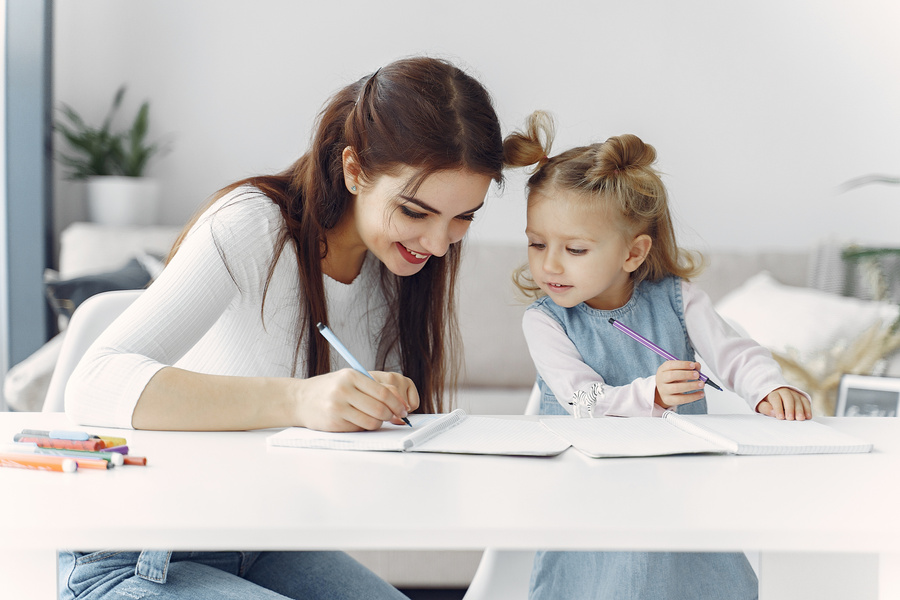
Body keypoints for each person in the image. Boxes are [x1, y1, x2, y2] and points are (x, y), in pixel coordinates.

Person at [60, 56, 505, 600]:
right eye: (416, 211)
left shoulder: (398, 268)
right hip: (141, 556)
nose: (438, 244)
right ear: (354, 169)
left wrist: (374, 410)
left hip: (266, 540)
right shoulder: (252, 226)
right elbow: (95, 381)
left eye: (463, 217)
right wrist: (300, 401)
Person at [503, 111, 812, 600]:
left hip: (680, 490)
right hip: (592, 495)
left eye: (575, 249)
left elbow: (734, 354)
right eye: (537, 244)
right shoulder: (545, 321)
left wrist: (768, 387)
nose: (550, 264)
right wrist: (653, 395)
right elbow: (582, 401)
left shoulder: (678, 300)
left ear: (633, 252)